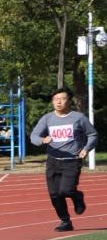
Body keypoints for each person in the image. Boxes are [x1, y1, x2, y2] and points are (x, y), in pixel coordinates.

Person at [29, 87, 98, 232]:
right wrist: (42, 140)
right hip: (53, 161)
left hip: (72, 160)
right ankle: (65, 221)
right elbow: (34, 136)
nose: (59, 102)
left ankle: (77, 196)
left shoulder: (79, 118)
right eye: (56, 99)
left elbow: (92, 135)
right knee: (54, 194)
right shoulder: (47, 118)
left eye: (62, 99)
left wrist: (86, 149)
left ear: (69, 101)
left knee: (66, 190)